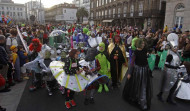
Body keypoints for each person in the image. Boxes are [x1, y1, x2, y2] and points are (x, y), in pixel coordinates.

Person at [122, 38, 152, 111]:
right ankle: (139, 100)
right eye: (142, 44)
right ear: (138, 44)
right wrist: (129, 73)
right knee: (138, 85)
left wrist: (149, 68)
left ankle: (142, 101)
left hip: (145, 70)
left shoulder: (144, 50)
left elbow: (145, 59)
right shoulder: (135, 52)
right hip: (138, 71)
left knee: (143, 86)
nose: (143, 44)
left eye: (143, 43)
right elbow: (132, 63)